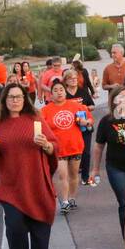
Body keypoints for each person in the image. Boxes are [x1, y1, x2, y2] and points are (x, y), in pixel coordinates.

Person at [0, 83, 58, 249]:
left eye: (18, 97)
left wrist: (46, 145)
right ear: (4, 101)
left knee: (40, 232)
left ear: (25, 99)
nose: (15, 100)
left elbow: (54, 146)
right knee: (15, 230)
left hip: (36, 185)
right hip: (11, 187)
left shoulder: (36, 120)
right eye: (11, 97)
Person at [91, 85, 125, 235]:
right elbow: (99, 147)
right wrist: (95, 169)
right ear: (114, 100)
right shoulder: (107, 121)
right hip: (116, 167)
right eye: (122, 97)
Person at [40, 78, 89, 214]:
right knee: (63, 175)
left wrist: (86, 121)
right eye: (55, 90)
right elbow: (39, 127)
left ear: (65, 92)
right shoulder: (45, 110)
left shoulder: (76, 106)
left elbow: (89, 119)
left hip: (75, 145)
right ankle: (65, 202)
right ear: (51, 94)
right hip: (58, 148)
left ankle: (72, 198)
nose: (59, 92)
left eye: (61, 89)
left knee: (74, 175)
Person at [59, 67, 98, 185]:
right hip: (70, 128)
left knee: (86, 152)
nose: (74, 80)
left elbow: (92, 106)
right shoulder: (63, 94)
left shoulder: (83, 91)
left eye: (75, 78)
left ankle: (85, 177)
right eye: (70, 79)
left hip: (84, 125)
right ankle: (72, 175)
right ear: (65, 81)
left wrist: (83, 108)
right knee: (72, 152)